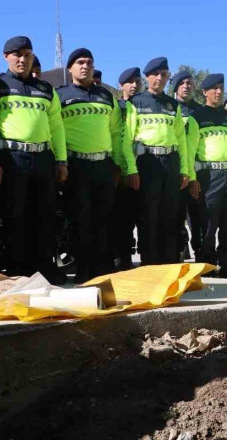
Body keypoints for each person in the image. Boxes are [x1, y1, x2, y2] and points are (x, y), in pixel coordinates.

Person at [0, 36, 67, 284]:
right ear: (6, 57)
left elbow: (57, 126)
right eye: (17, 54)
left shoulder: (45, 89)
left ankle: (44, 270)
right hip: (11, 159)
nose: (23, 59)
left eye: (27, 54)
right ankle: (18, 272)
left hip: (43, 159)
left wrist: (61, 160)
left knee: (44, 217)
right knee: (15, 217)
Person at [57, 48, 128, 283]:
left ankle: (104, 269)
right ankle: (84, 270)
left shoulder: (106, 96)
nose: (85, 66)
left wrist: (117, 164)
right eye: (79, 62)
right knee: (81, 220)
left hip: (104, 166)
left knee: (105, 219)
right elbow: (54, 130)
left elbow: (117, 132)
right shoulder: (59, 95)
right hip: (76, 166)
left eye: (89, 62)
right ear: (70, 68)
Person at [122, 56, 190, 265]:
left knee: (170, 216)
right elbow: (127, 140)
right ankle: (150, 263)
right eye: (156, 75)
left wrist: (184, 170)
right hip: (147, 164)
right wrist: (131, 170)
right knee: (149, 217)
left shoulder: (172, 105)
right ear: (148, 77)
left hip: (170, 163)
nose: (160, 78)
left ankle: (169, 262)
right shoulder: (137, 103)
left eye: (165, 75)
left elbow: (180, 140)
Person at [187, 74, 227, 279]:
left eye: (221, 88)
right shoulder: (197, 117)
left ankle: (225, 263)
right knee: (208, 223)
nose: (219, 92)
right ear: (204, 92)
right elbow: (189, 150)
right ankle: (207, 265)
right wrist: (192, 177)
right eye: (214, 89)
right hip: (208, 176)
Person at [111, 67, 142, 271]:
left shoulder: (144, 106)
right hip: (121, 170)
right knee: (121, 218)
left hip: (144, 168)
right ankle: (121, 257)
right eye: (129, 82)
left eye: (137, 81)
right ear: (121, 86)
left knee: (141, 216)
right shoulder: (117, 107)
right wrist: (118, 167)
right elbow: (114, 136)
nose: (134, 85)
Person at [172, 71, 204, 261]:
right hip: (175, 171)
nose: (186, 86)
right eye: (182, 83)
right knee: (176, 215)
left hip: (197, 173)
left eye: (189, 83)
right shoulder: (170, 107)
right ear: (175, 87)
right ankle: (179, 251)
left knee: (198, 217)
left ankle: (201, 253)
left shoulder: (200, 111)